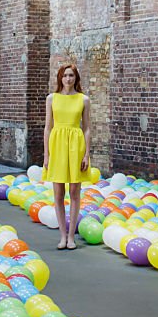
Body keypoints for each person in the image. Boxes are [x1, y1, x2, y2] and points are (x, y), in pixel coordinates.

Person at [43, 63, 92, 249]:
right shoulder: (51, 98)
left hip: (76, 146)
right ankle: (62, 236)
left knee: (74, 192)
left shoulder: (84, 100)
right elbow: (47, 128)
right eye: (65, 76)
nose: (68, 79)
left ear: (76, 78)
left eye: (71, 75)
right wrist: (46, 155)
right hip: (57, 146)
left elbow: (87, 128)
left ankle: (71, 237)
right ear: (60, 78)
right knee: (58, 193)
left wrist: (87, 154)